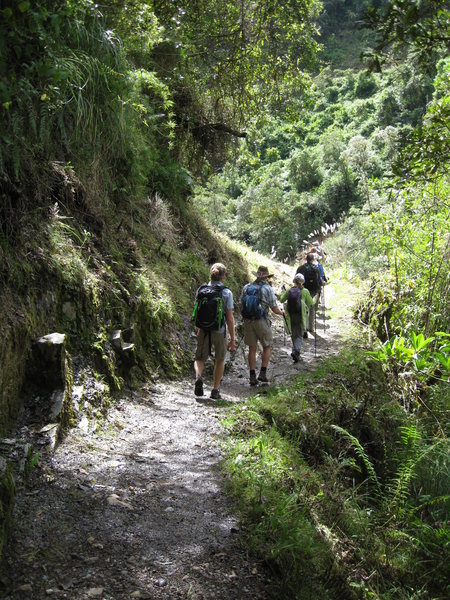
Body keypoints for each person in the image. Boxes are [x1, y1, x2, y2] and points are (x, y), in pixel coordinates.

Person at [193, 263, 235, 399]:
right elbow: (229, 317)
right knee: (220, 359)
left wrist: (197, 326)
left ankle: (198, 377)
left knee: (199, 358)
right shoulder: (226, 292)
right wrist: (232, 338)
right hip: (219, 329)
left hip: (203, 328)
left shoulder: (201, 289)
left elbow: (197, 311)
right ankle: (215, 390)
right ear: (223, 276)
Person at [241, 266, 285, 386]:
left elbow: (241, 304)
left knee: (252, 348)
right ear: (266, 277)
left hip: (248, 321)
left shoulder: (246, 287)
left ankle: (252, 376)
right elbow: (274, 309)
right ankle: (262, 373)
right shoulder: (267, 288)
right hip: (261, 320)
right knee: (267, 346)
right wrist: (282, 313)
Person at [280, 273, 314, 362]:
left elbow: (281, 300)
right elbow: (311, 303)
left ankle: (295, 351)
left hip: (290, 315)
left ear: (294, 281)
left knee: (293, 333)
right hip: (301, 315)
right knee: (299, 334)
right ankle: (296, 351)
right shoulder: (305, 291)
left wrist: (283, 291)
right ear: (303, 282)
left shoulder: (289, 290)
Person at [296, 253, 322, 336]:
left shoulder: (301, 268)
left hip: (303, 290)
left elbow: (296, 279)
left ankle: (305, 328)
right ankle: (311, 327)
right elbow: (319, 280)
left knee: (304, 308)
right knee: (312, 308)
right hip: (314, 291)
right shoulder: (316, 268)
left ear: (306, 259)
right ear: (313, 259)